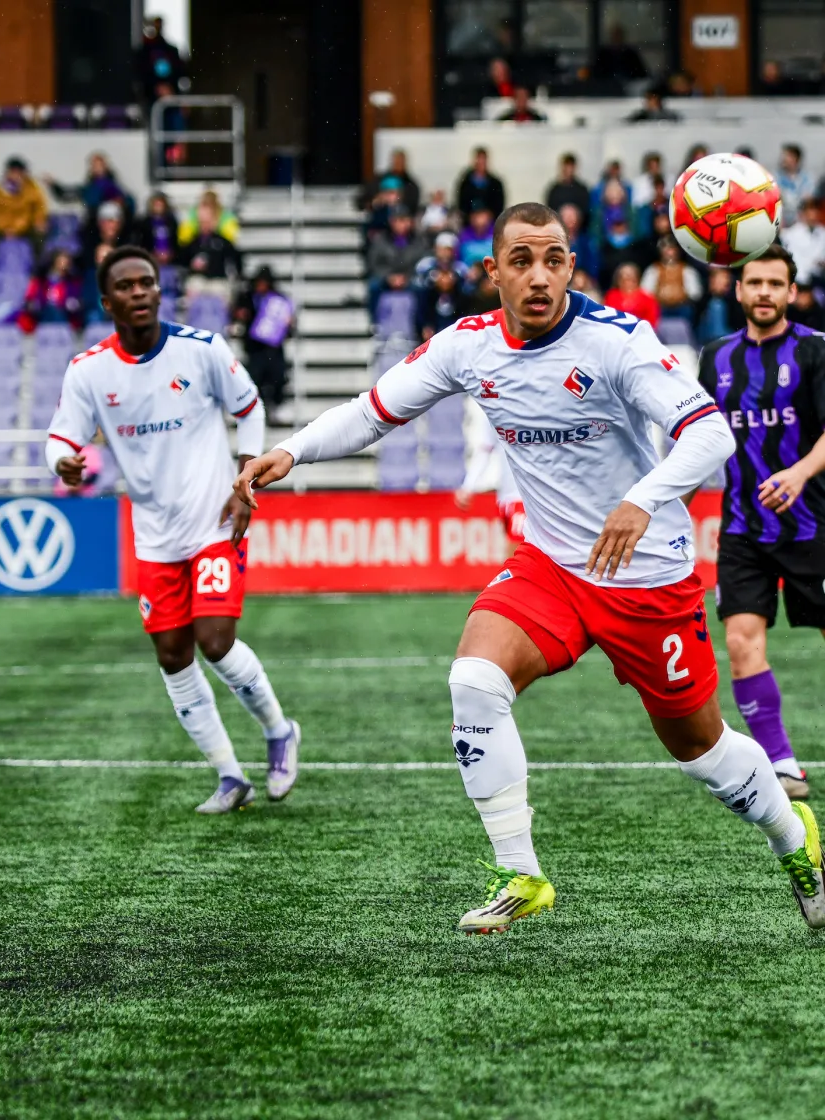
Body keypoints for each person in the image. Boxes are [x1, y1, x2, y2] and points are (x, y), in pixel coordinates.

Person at [234, 203, 825, 935]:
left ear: (572, 267)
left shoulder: (618, 342)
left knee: (700, 750)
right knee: (473, 682)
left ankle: (793, 837)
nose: (539, 276)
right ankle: (520, 870)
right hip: (552, 568)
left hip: (646, 576)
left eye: (554, 259)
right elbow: (373, 411)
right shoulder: (468, 345)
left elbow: (708, 435)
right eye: (521, 260)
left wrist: (641, 501)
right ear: (494, 272)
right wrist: (290, 452)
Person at [45, 246, 299, 812]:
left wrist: (246, 476)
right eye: (127, 286)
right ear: (107, 301)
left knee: (215, 641)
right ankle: (230, 776)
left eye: (147, 283)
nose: (139, 293)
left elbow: (250, 406)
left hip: (214, 520)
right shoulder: (88, 370)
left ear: (160, 292)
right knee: (172, 655)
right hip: (153, 536)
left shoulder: (201, 349)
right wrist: (62, 461)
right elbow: (62, 437)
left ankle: (280, 732)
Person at [697, 243, 825, 801]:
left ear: (791, 292)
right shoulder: (715, 357)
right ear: (738, 289)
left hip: (814, 525)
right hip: (743, 528)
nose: (765, 293)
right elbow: (699, 437)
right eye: (755, 283)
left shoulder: (816, 351)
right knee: (742, 642)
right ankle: (782, 765)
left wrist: (798, 474)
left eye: (776, 284)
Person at [455, 406, 526, 552]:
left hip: (526, 497)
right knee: (515, 555)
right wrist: (468, 486)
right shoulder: (495, 406)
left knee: (518, 555)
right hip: (506, 497)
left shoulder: (540, 404)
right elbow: (485, 448)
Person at [231, 265, 294, 411]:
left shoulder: (279, 300)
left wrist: (289, 323)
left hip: (273, 348)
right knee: (255, 377)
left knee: (277, 376)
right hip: (255, 348)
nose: (261, 285)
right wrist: (240, 315)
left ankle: (275, 407)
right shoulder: (247, 297)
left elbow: (288, 324)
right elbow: (236, 313)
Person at [44, 152, 134, 230]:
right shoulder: (89, 188)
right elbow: (66, 194)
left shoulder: (112, 186)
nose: (97, 168)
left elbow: (128, 202)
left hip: (112, 225)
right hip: (94, 225)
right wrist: (53, 185)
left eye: (100, 165)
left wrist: (120, 203)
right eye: (94, 165)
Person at [178, 201, 241, 300]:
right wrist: (192, 265)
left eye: (208, 221)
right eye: (202, 222)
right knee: (193, 287)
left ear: (214, 222)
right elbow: (182, 262)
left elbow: (236, 261)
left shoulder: (223, 242)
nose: (205, 225)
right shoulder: (192, 242)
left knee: (221, 291)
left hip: (218, 281)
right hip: (198, 280)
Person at [0, 156, 48, 249]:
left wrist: (39, 222)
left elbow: (40, 208)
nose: (16, 175)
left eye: (19, 172)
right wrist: (5, 228)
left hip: (25, 227)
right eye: (13, 172)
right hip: (3, 228)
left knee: (39, 237)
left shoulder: (32, 188)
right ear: (7, 173)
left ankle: (37, 263)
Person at [18, 251, 83, 333]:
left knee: (57, 313)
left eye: (67, 263)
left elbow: (79, 302)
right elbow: (29, 301)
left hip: (65, 319)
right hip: (42, 316)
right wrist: (34, 304)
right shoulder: (41, 281)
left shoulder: (73, 282)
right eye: (60, 262)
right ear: (54, 263)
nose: (64, 266)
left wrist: (74, 304)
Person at [640, 236, 702, 321]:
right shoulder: (653, 269)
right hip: (661, 307)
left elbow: (695, 293)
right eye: (665, 249)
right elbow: (645, 291)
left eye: (671, 249)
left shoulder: (686, 270)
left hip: (681, 307)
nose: (668, 253)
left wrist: (682, 295)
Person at [358, 149, 421, 218]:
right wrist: (374, 202)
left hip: (401, 224)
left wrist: (398, 203)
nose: (398, 164)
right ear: (392, 161)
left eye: (401, 161)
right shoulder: (377, 181)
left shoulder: (412, 186)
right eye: (396, 161)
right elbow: (360, 203)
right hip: (377, 222)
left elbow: (413, 210)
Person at [781, 198, 825, 286]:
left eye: (815, 212)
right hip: (798, 280)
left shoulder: (822, 232)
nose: (812, 216)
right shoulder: (791, 233)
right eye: (809, 212)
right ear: (803, 214)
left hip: (816, 280)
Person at [603, 262, 659, 326]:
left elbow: (652, 320)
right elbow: (607, 316)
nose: (627, 281)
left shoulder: (647, 298)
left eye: (630, 277)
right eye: (623, 277)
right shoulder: (611, 295)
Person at [456, 148, 505, 223]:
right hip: (469, 223)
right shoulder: (465, 182)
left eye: (483, 159)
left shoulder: (496, 184)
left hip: (490, 223)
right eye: (478, 159)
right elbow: (461, 204)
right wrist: (472, 216)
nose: (480, 162)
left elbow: (499, 205)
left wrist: (487, 216)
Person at [133, 191, 179, 265]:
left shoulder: (171, 222)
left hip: (169, 260)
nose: (159, 206)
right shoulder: (145, 223)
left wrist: (170, 253)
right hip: (150, 259)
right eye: (156, 204)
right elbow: (142, 241)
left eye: (161, 204)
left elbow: (175, 242)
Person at [546, 154, 590, 227]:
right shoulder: (554, 190)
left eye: (570, 166)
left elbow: (586, 212)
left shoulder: (581, 189)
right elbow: (549, 211)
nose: (568, 169)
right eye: (566, 166)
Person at [775, 145, 815, 227]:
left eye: (787, 156)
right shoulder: (776, 177)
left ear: (795, 158)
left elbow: (807, 201)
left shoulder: (807, 179)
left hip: (800, 223)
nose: (784, 159)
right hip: (781, 223)